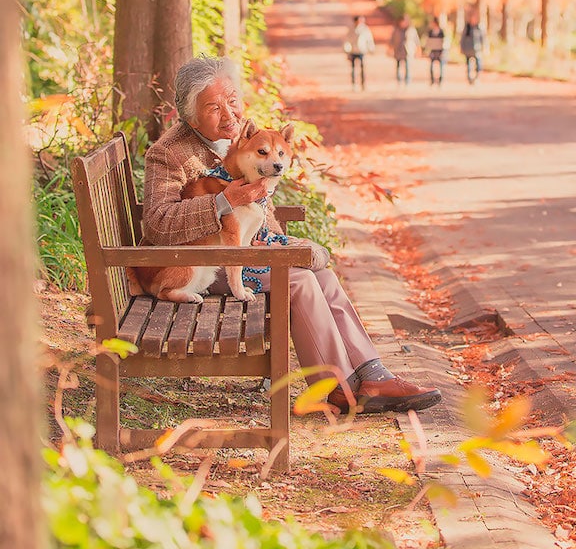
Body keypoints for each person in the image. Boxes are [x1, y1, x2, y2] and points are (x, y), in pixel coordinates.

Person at [142, 56, 441, 415]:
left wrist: (282, 243)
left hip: (247, 253)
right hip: (203, 264)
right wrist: (223, 202)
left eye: (233, 100)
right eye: (213, 107)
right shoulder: (168, 153)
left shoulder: (247, 137)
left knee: (324, 277)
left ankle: (372, 374)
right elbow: (157, 223)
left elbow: (258, 210)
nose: (229, 114)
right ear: (191, 116)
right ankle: (339, 388)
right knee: (298, 281)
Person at [343, 14, 375, 90]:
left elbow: (369, 39)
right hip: (353, 51)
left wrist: (371, 48)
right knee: (353, 68)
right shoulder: (351, 30)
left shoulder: (365, 29)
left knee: (362, 68)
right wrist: (347, 50)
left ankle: (363, 83)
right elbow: (347, 41)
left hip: (361, 51)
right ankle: (354, 83)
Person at [389, 15, 420, 85]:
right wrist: (390, 49)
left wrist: (418, 50)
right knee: (398, 66)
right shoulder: (396, 30)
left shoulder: (411, 30)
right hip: (398, 50)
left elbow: (416, 40)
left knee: (407, 66)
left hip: (408, 51)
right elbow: (392, 40)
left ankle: (407, 80)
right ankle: (399, 80)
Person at [460, 18, 485, 84]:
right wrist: (462, 48)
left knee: (479, 64)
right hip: (468, 49)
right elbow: (462, 39)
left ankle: (477, 77)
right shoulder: (467, 28)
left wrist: (483, 47)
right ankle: (469, 78)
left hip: (477, 50)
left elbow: (482, 38)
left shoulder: (479, 28)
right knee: (468, 64)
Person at [424, 16, 448, 86]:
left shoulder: (441, 31)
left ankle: (440, 80)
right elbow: (428, 41)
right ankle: (432, 80)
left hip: (440, 50)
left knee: (441, 66)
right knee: (431, 66)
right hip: (432, 50)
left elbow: (443, 40)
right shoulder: (430, 31)